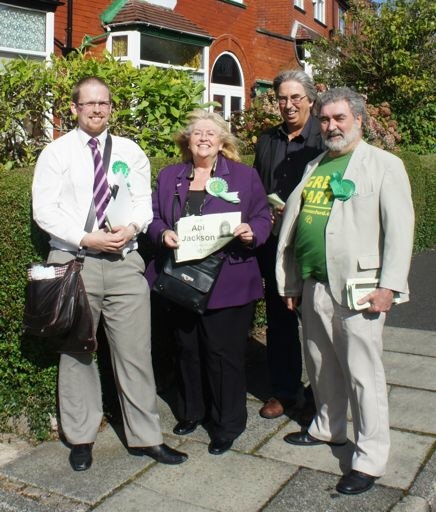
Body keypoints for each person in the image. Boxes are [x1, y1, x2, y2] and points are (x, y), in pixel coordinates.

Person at [32, 76, 187, 471]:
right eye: (89, 104)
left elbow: (141, 203)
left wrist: (132, 229)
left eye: (104, 103)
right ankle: (81, 438)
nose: (98, 110)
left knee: (135, 353)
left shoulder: (131, 151)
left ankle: (146, 437)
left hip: (124, 262)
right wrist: (86, 238)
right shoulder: (56, 153)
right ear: (74, 108)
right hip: (74, 262)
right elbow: (44, 211)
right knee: (77, 352)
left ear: (111, 108)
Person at [276, 87, 414, 494]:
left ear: (358, 119)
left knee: (362, 375)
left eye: (339, 118)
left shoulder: (384, 165)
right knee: (320, 365)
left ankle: (370, 458)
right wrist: (292, 281)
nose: (332, 126)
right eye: (325, 120)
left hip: (360, 290)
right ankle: (329, 428)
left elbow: (400, 232)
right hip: (315, 281)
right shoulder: (316, 164)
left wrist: (389, 286)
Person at [145, 109, 271, 455]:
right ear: (188, 140)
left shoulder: (244, 177)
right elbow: (153, 218)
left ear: (222, 142)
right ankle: (191, 412)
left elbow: (262, 216)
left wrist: (252, 232)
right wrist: (163, 232)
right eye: (197, 133)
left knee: (222, 354)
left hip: (228, 281)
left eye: (211, 134)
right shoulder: (171, 176)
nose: (203, 138)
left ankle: (227, 423)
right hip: (180, 280)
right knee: (186, 349)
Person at [254, 70, 324, 419]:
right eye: (282, 98)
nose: (288, 104)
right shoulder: (267, 140)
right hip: (275, 245)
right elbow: (257, 187)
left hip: (313, 244)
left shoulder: (323, 139)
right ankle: (285, 390)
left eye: (296, 97)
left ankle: (324, 391)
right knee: (281, 319)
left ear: (310, 99)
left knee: (318, 319)